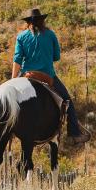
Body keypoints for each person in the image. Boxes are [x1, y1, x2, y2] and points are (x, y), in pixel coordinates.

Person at [12, 7, 85, 141]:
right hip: (47, 76)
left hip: (28, 75)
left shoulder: (21, 37)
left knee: (9, 100)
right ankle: (74, 133)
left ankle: (2, 127)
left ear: (28, 22)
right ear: (42, 21)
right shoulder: (50, 35)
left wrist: (12, 79)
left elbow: (17, 59)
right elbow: (56, 57)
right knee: (67, 101)